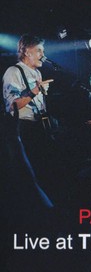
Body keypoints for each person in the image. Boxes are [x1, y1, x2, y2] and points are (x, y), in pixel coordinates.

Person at [2, 34, 54, 185]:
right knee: (27, 172)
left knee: (42, 168)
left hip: (38, 126)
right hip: (23, 128)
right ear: (27, 52)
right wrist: (35, 91)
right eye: (39, 50)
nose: (43, 55)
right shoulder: (14, 72)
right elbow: (12, 105)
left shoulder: (37, 73)